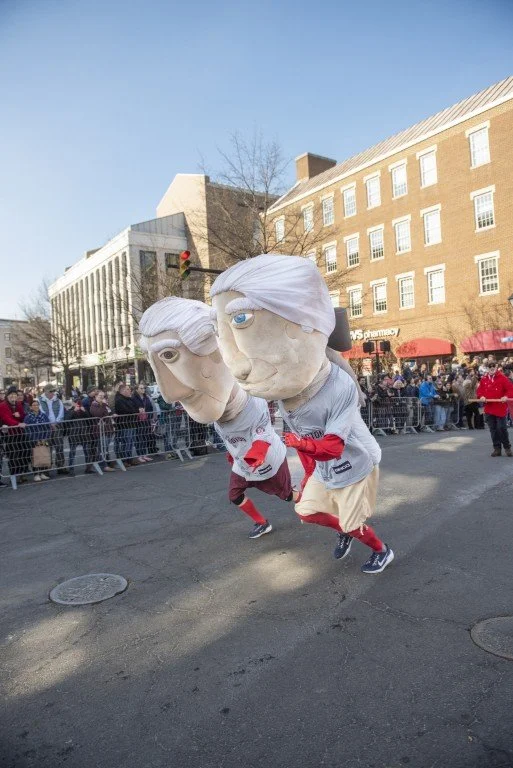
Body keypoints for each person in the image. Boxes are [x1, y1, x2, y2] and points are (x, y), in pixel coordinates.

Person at [211, 253, 393, 572]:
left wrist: (297, 445)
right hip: (321, 464)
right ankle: (344, 529)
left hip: (350, 463)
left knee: (352, 517)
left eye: (241, 319)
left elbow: (332, 444)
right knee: (306, 511)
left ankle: (381, 549)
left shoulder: (338, 387)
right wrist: (299, 469)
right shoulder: (286, 388)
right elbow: (287, 429)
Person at [139, 296, 296, 540]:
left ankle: (323, 506)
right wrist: (234, 454)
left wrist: (253, 453)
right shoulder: (214, 402)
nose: (170, 395)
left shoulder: (252, 399)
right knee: (235, 496)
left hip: (267, 462)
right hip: (242, 463)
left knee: (289, 496)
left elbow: (263, 433)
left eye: (170, 355)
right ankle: (261, 522)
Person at [477, 361, 513, 456]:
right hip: (489, 408)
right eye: (489, 366)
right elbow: (480, 391)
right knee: (493, 429)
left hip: (500, 408)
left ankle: (507, 447)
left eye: (493, 366)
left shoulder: (503, 378)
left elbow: (510, 389)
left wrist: (506, 396)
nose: (492, 368)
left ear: (496, 367)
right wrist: (481, 396)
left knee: (501, 428)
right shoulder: (484, 379)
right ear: (487, 368)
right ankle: (497, 448)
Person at [0, 386, 31, 482]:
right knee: (13, 455)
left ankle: (22, 473)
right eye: (11, 394)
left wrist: (20, 416)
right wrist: (18, 423)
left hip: (21, 433)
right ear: (7, 396)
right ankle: (14, 476)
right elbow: (6, 418)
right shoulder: (3, 405)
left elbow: (23, 416)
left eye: (15, 394)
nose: (13, 396)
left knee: (24, 452)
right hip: (10, 434)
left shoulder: (18, 404)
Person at [39, 384, 69, 474]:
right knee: (47, 447)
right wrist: (50, 423)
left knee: (59, 446)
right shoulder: (40, 400)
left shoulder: (58, 400)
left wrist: (56, 422)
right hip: (46, 427)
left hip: (57, 426)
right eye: (50, 391)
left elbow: (61, 412)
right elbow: (41, 412)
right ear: (46, 391)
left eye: (53, 391)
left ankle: (60, 466)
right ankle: (46, 468)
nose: (52, 393)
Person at [64, 400, 95, 474]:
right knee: (72, 452)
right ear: (73, 404)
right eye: (76, 404)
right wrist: (74, 411)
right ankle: (71, 469)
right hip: (73, 434)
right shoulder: (70, 410)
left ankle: (88, 468)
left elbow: (89, 419)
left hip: (84, 433)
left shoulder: (83, 410)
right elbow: (66, 419)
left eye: (79, 404)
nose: (78, 405)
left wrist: (84, 411)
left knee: (87, 451)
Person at [23, 400, 51, 481]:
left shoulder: (44, 415)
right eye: (34, 405)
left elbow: (48, 427)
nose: (36, 406)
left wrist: (45, 438)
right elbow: (27, 430)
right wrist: (35, 439)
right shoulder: (28, 417)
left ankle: (42, 473)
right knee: (34, 457)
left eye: (37, 405)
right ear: (31, 407)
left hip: (43, 438)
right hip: (33, 440)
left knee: (43, 454)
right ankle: (36, 474)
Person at [89, 390, 116, 471]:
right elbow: (98, 414)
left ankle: (107, 463)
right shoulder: (94, 405)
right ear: (95, 397)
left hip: (108, 429)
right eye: (100, 396)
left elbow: (109, 412)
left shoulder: (104, 405)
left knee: (105, 447)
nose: (102, 397)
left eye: (103, 396)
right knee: (102, 448)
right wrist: (103, 404)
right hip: (99, 430)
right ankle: (103, 465)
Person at [114, 384, 139, 465]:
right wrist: (134, 411)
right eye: (128, 389)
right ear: (123, 391)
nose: (130, 391)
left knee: (130, 443)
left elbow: (135, 408)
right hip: (124, 425)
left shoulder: (129, 399)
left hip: (132, 423)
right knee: (126, 443)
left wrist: (136, 410)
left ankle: (129, 459)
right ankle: (124, 460)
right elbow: (126, 410)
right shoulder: (119, 400)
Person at [132, 383, 155, 462]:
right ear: (137, 389)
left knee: (145, 437)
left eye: (144, 388)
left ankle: (144, 455)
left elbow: (150, 407)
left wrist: (150, 416)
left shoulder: (146, 397)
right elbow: (133, 408)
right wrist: (138, 410)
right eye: (141, 388)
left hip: (146, 419)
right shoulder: (134, 398)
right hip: (139, 420)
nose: (143, 390)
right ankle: (139, 455)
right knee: (139, 438)